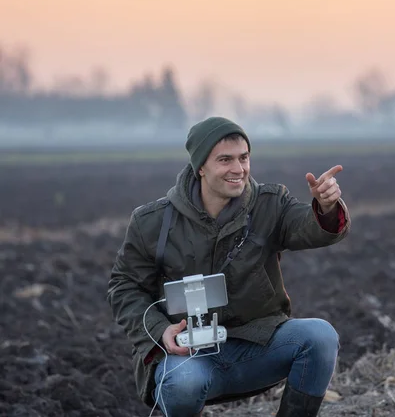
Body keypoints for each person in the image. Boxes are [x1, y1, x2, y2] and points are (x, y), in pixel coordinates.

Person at [107, 116, 351, 417]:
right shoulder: (152, 222)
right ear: (200, 167)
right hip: (187, 355)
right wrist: (160, 329)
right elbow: (124, 286)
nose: (238, 169)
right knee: (182, 383)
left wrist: (326, 209)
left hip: (257, 346)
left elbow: (309, 227)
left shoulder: (270, 204)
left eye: (244, 158)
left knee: (320, 337)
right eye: (225, 160)